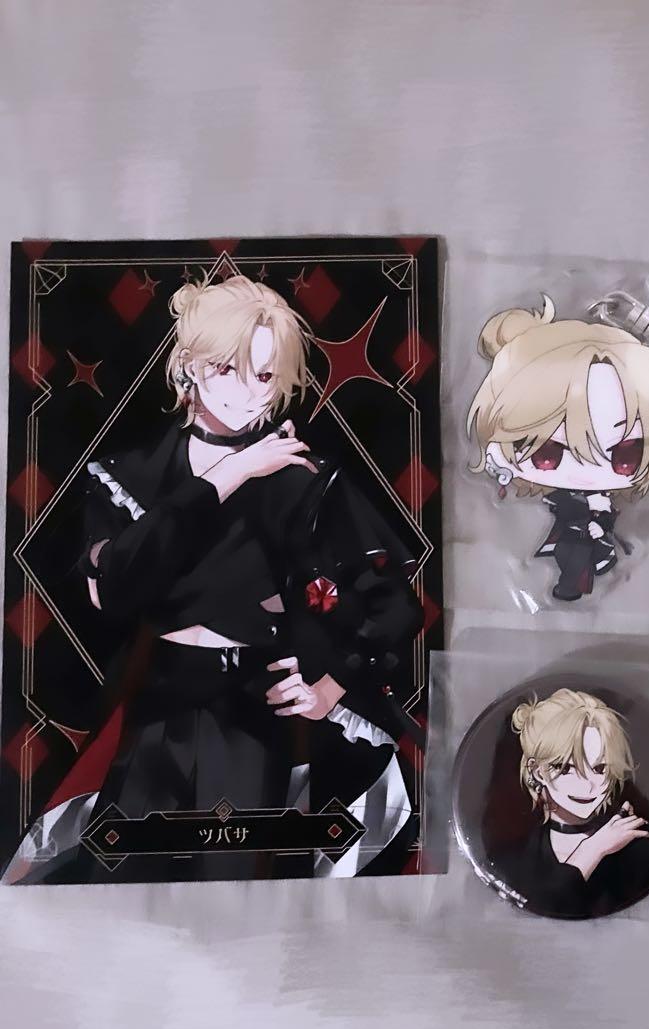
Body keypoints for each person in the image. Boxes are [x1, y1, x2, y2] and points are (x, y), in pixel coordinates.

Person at [4, 274, 422, 884]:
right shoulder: (129, 475)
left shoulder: (305, 480)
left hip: (255, 705)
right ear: (189, 366)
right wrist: (230, 475)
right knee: (121, 874)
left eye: (264, 375)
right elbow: (115, 590)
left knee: (239, 878)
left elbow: (395, 606)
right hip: (155, 697)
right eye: (227, 369)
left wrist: (329, 686)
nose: (248, 393)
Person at [466, 295, 649, 601]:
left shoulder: (598, 503)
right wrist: (498, 456)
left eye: (625, 456)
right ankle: (572, 581)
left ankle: (572, 584)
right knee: (569, 553)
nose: (588, 468)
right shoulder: (560, 497)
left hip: (591, 540)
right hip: (573, 535)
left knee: (578, 557)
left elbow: (604, 515)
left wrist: (600, 524)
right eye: (547, 453)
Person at [500, 688, 649, 918]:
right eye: (566, 768)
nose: (588, 785)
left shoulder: (641, 848)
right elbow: (546, 906)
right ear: (537, 771)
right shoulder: (511, 861)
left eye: (600, 768)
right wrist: (593, 849)